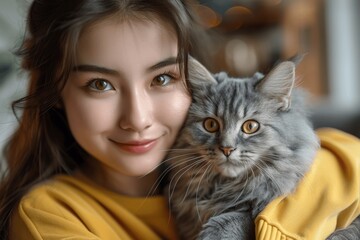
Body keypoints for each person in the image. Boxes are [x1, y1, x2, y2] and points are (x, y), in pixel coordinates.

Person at [0, 0, 359, 239]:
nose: (137, 118)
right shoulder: (50, 217)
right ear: (57, 95)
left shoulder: (332, 156)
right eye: (100, 84)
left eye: (162, 79)